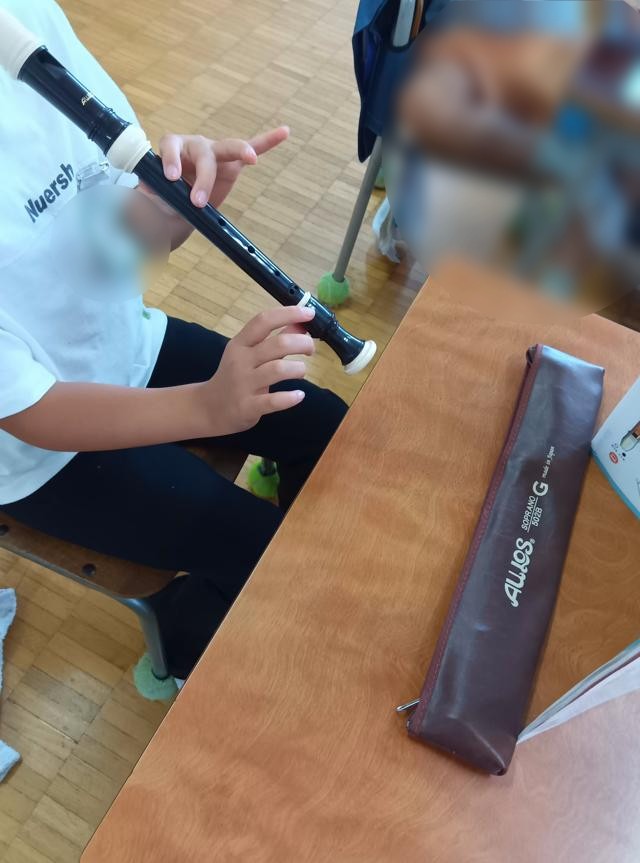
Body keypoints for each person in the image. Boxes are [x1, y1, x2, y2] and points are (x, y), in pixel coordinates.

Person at [0, 0, 347, 679]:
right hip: (43, 449)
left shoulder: (23, 17)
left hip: (125, 342)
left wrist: (168, 208)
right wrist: (210, 408)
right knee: (263, 554)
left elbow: (115, 226)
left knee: (327, 428)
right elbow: (27, 407)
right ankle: (192, 646)